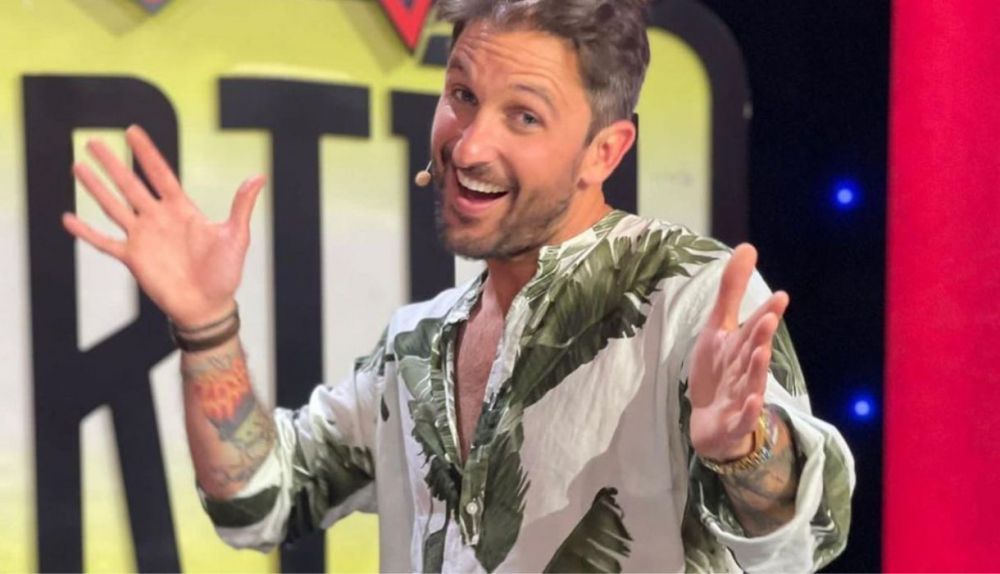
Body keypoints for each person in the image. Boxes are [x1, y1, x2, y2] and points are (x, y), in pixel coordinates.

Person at [62, 0, 854, 571]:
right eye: (462, 96)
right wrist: (207, 327)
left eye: (524, 117)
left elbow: (812, 533)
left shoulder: (690, 295)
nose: (469, 146)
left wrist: (746, 451)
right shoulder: (418, 343)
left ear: (604, 152)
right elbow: (258, 499)